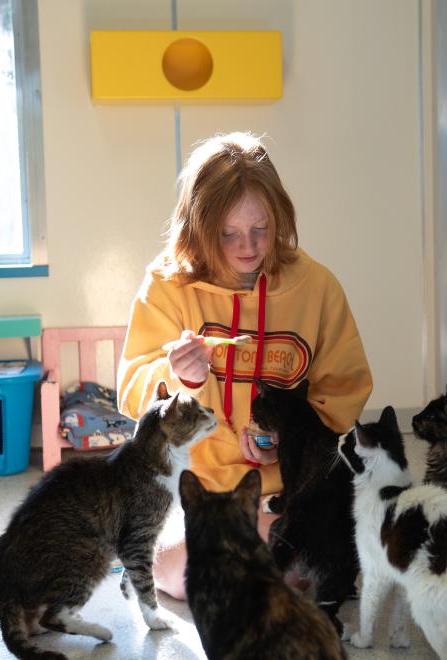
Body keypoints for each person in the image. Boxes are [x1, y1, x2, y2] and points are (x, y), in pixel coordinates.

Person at [116, 132, 372, 599]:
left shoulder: (316, 286)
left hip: (289, 492)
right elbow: (133, 391)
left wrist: (288, 436)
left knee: (325, 560)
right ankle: (260, 549)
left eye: (261, 230)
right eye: (228, 234)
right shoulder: (167, 284)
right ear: (198, 227)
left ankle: (263, 544)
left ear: (280, 218)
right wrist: (179, 377)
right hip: (200, 494)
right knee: (177, 570)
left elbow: (344, 389)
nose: (247, 248)